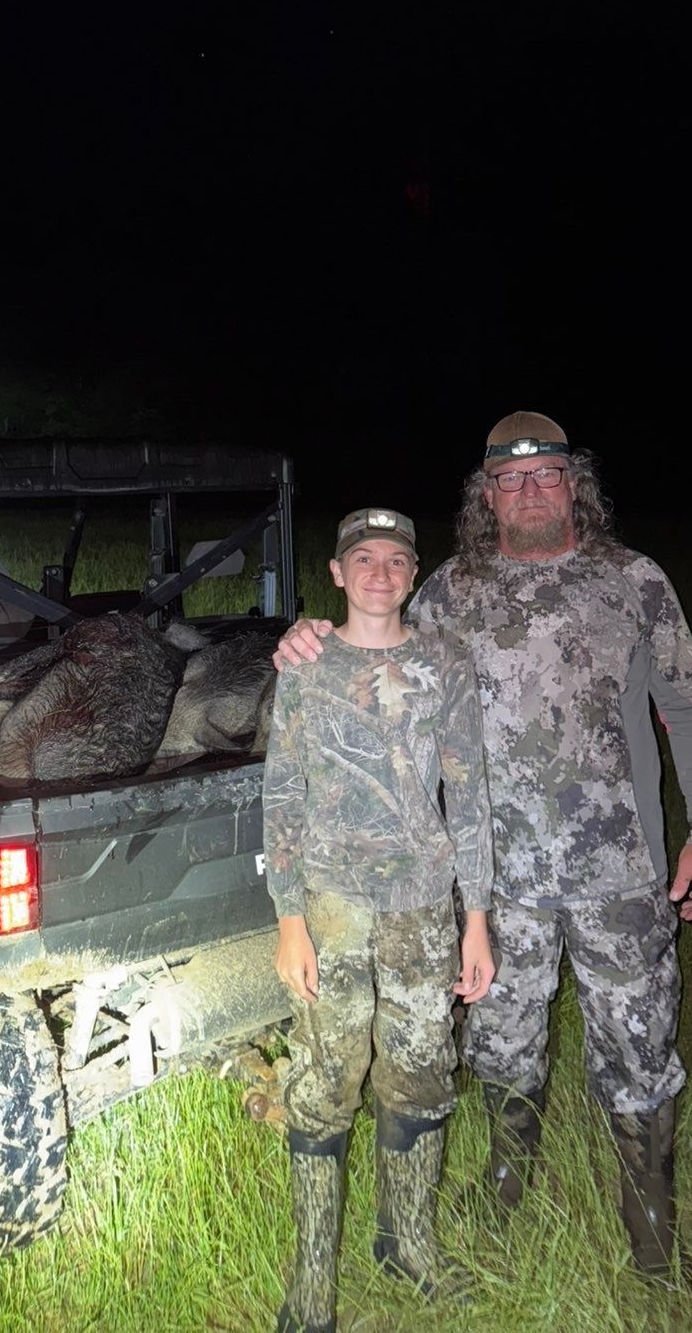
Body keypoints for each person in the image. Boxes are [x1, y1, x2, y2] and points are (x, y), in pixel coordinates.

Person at [275, 414, 692, 1281]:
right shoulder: (448, 591)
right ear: (488, 495)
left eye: (548, 475)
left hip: (621, 873)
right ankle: (508, 1179)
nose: (530, 491)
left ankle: (652, 1232)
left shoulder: (633, 582)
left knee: (637, 1047)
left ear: (574, 485)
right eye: (510, 480)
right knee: (502, 1044)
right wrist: (302, 639)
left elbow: (689, 704)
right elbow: (370, 648)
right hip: (494, 885)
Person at [264, 506, 494, 1333]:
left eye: (397, 559)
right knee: (324, 1082)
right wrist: (289, 918)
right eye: (363, 557)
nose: (380, 572)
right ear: (336, 572)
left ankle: (408, 1246)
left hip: (426, 909)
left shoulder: (444, 662)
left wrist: (478, 918)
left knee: (423, 1073)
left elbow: (467, 796)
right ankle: (313, 1283)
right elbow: (282, 793)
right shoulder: (306, 665)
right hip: (330, 908)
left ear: (412, 574)